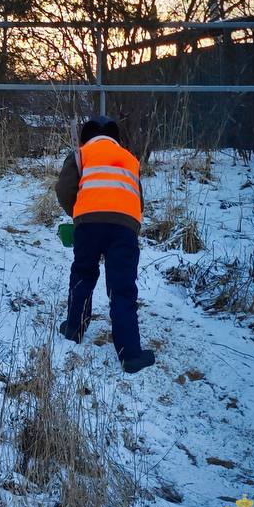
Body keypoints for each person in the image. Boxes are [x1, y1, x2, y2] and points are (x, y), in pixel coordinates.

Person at [54, 114, 156, 375]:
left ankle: (74, 329)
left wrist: (78, 214)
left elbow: (64, 190)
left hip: (88, 224)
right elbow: (137, 199)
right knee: (122, 288)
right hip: (125, 226)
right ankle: (130, 354)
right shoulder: (129, 159)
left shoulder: (80, 154)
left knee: (83, 274)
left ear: (87, 135)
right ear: (115, 137)